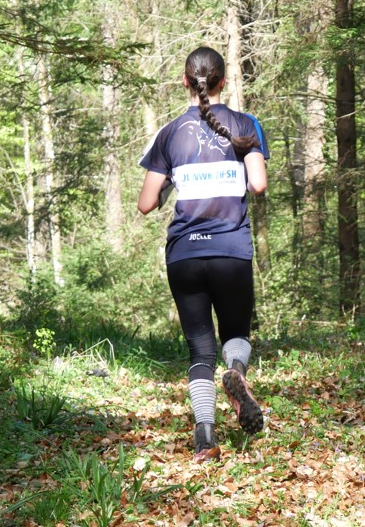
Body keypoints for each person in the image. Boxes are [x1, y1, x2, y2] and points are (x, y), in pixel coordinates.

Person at [137, 46, 270, 462]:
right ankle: (237, 372)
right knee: (236, 335)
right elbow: (259, 185)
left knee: (199, 351)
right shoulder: (246, 126)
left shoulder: (170, 132)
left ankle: (205, 438)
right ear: (223, 82)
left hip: (184, 257)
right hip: (231, 250)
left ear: (185, 80)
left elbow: (145, 203)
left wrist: (176, 183)